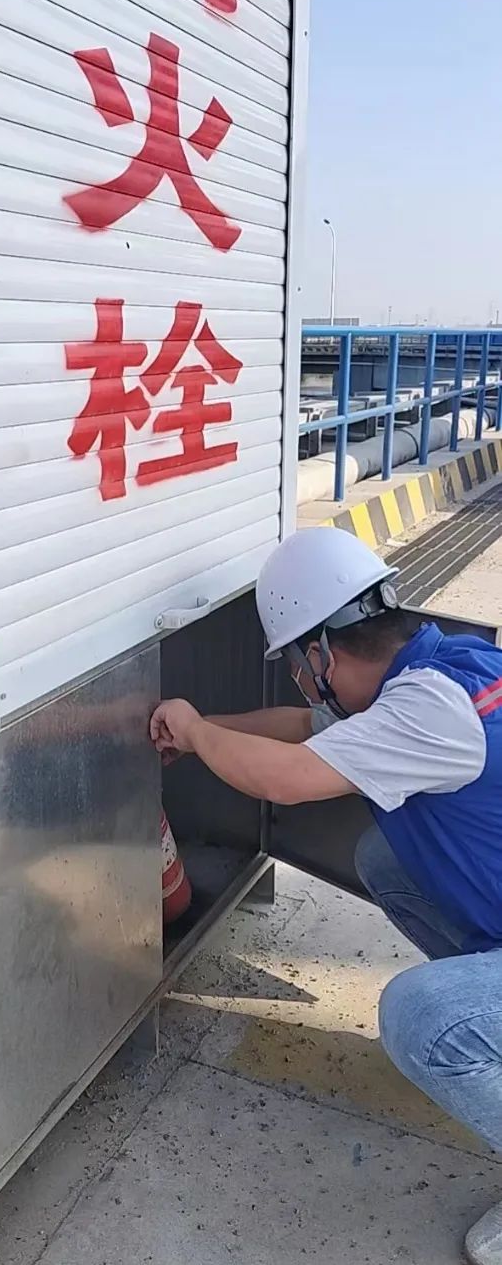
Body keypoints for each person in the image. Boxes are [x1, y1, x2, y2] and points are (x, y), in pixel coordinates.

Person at [151, 526, 502, 1265]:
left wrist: (193, 729)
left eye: (295, 664)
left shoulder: (428, 712)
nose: (299, 682)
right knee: (385, 857)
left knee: (422, 1016)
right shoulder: (441, 669)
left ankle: (474, 1022)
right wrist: (199, 731)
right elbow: (304, 730)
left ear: (321, 656)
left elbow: (285, 777)